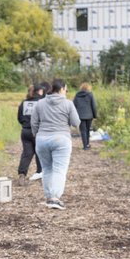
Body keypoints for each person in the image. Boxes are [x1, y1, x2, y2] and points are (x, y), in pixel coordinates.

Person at [30, 78, 79, 210]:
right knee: (59, 170)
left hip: (42, 139)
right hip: (61, 139)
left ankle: (48, 197)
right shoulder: (68, 104)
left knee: (46, 169)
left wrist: (38, 137)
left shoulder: (40, 103)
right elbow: (76, 122)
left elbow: (34, 123)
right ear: (62, 89)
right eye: (66, 89)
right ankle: (55, 198)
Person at [16, 83, 45, 186]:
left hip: (25, 131)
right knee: (40, 151)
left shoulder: (24, 103)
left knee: (27, 154)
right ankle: (40, 172)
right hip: (38, 131)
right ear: (40, 91)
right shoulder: (42, 102)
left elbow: (19, 118)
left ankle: (22, 175)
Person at [73, 82, 97, 149]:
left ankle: (85, 146)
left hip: (80, 116)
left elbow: (74, 105)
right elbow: (93, 105)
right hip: (89, 116)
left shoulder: (77, 95)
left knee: (83, 130)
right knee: (87, 129)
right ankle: (87, 144)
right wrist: (95, 116)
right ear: (88, 88)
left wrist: (74, 115)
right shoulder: (90, 94)